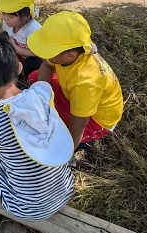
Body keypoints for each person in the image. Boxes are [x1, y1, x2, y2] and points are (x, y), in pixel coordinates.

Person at [0, 34, 74, 220]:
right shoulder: (41, 94)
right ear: (19, 67)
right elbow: (17, 110)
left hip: (24, 207)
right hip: (63, 192)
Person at [27, 11, 123, 150]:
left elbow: (78, 125)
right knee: (37, 78)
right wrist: (40, 98)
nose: (44, 54)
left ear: (70, 56)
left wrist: (65, 151)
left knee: (54, 129)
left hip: (94, 120)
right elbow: (47, 65)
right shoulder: (67, 53)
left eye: (48, 50)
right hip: (74, 97)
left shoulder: (85, 83)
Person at [0, 0, 42, 78]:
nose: (6, 19)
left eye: (11, 17)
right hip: (18, 54)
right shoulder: (8, 23)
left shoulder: (34, 29)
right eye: (4, 13)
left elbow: (38, 53)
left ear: (26, 16)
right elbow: (7, 35)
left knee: (32, 64)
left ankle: (21, 79)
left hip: (33, 57)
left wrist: (14, 47)